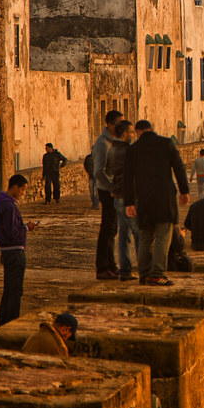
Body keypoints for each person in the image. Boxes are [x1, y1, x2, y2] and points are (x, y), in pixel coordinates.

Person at [124, 120, 191, 286]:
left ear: (138, 132)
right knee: (163, 237)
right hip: (164, 198)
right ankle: (157, 274)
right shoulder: (166, 143)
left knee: (145, 237)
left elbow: (127, 177)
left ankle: (144, 274)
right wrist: (184, 191)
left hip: (144, 199)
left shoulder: (133, 149)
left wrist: (129, 202)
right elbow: (179, 167)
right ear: (151, 129)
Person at [0, 174, 36, 326]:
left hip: (7, 251)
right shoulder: (9, 206)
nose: (23, 193)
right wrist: (26, 228)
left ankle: (3, 324)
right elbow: (12, 232)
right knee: (15, 292)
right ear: (15, 187)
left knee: (8, 291)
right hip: (14, 252)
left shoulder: (1, 203)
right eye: (22, 189)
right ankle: (11, 325)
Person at [106, 120, 138, 281]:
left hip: (117, 196)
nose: (133, 135)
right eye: (131, 132)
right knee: (139, 233)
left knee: (123, 236)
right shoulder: (128, 151)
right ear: (125, 133)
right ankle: (145, 271)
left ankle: (125, 270)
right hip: (128, 197)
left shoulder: (112, 149)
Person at [92, 110, 123, 280]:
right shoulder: (103, 143)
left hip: (112, 190)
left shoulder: (113, 141)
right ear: (110, 124)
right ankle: (102, 267)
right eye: (118, 123)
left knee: (112, 229)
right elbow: (98, 171)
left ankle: (111, 265)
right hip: (106, 191)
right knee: (107, 228)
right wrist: (112, 187)